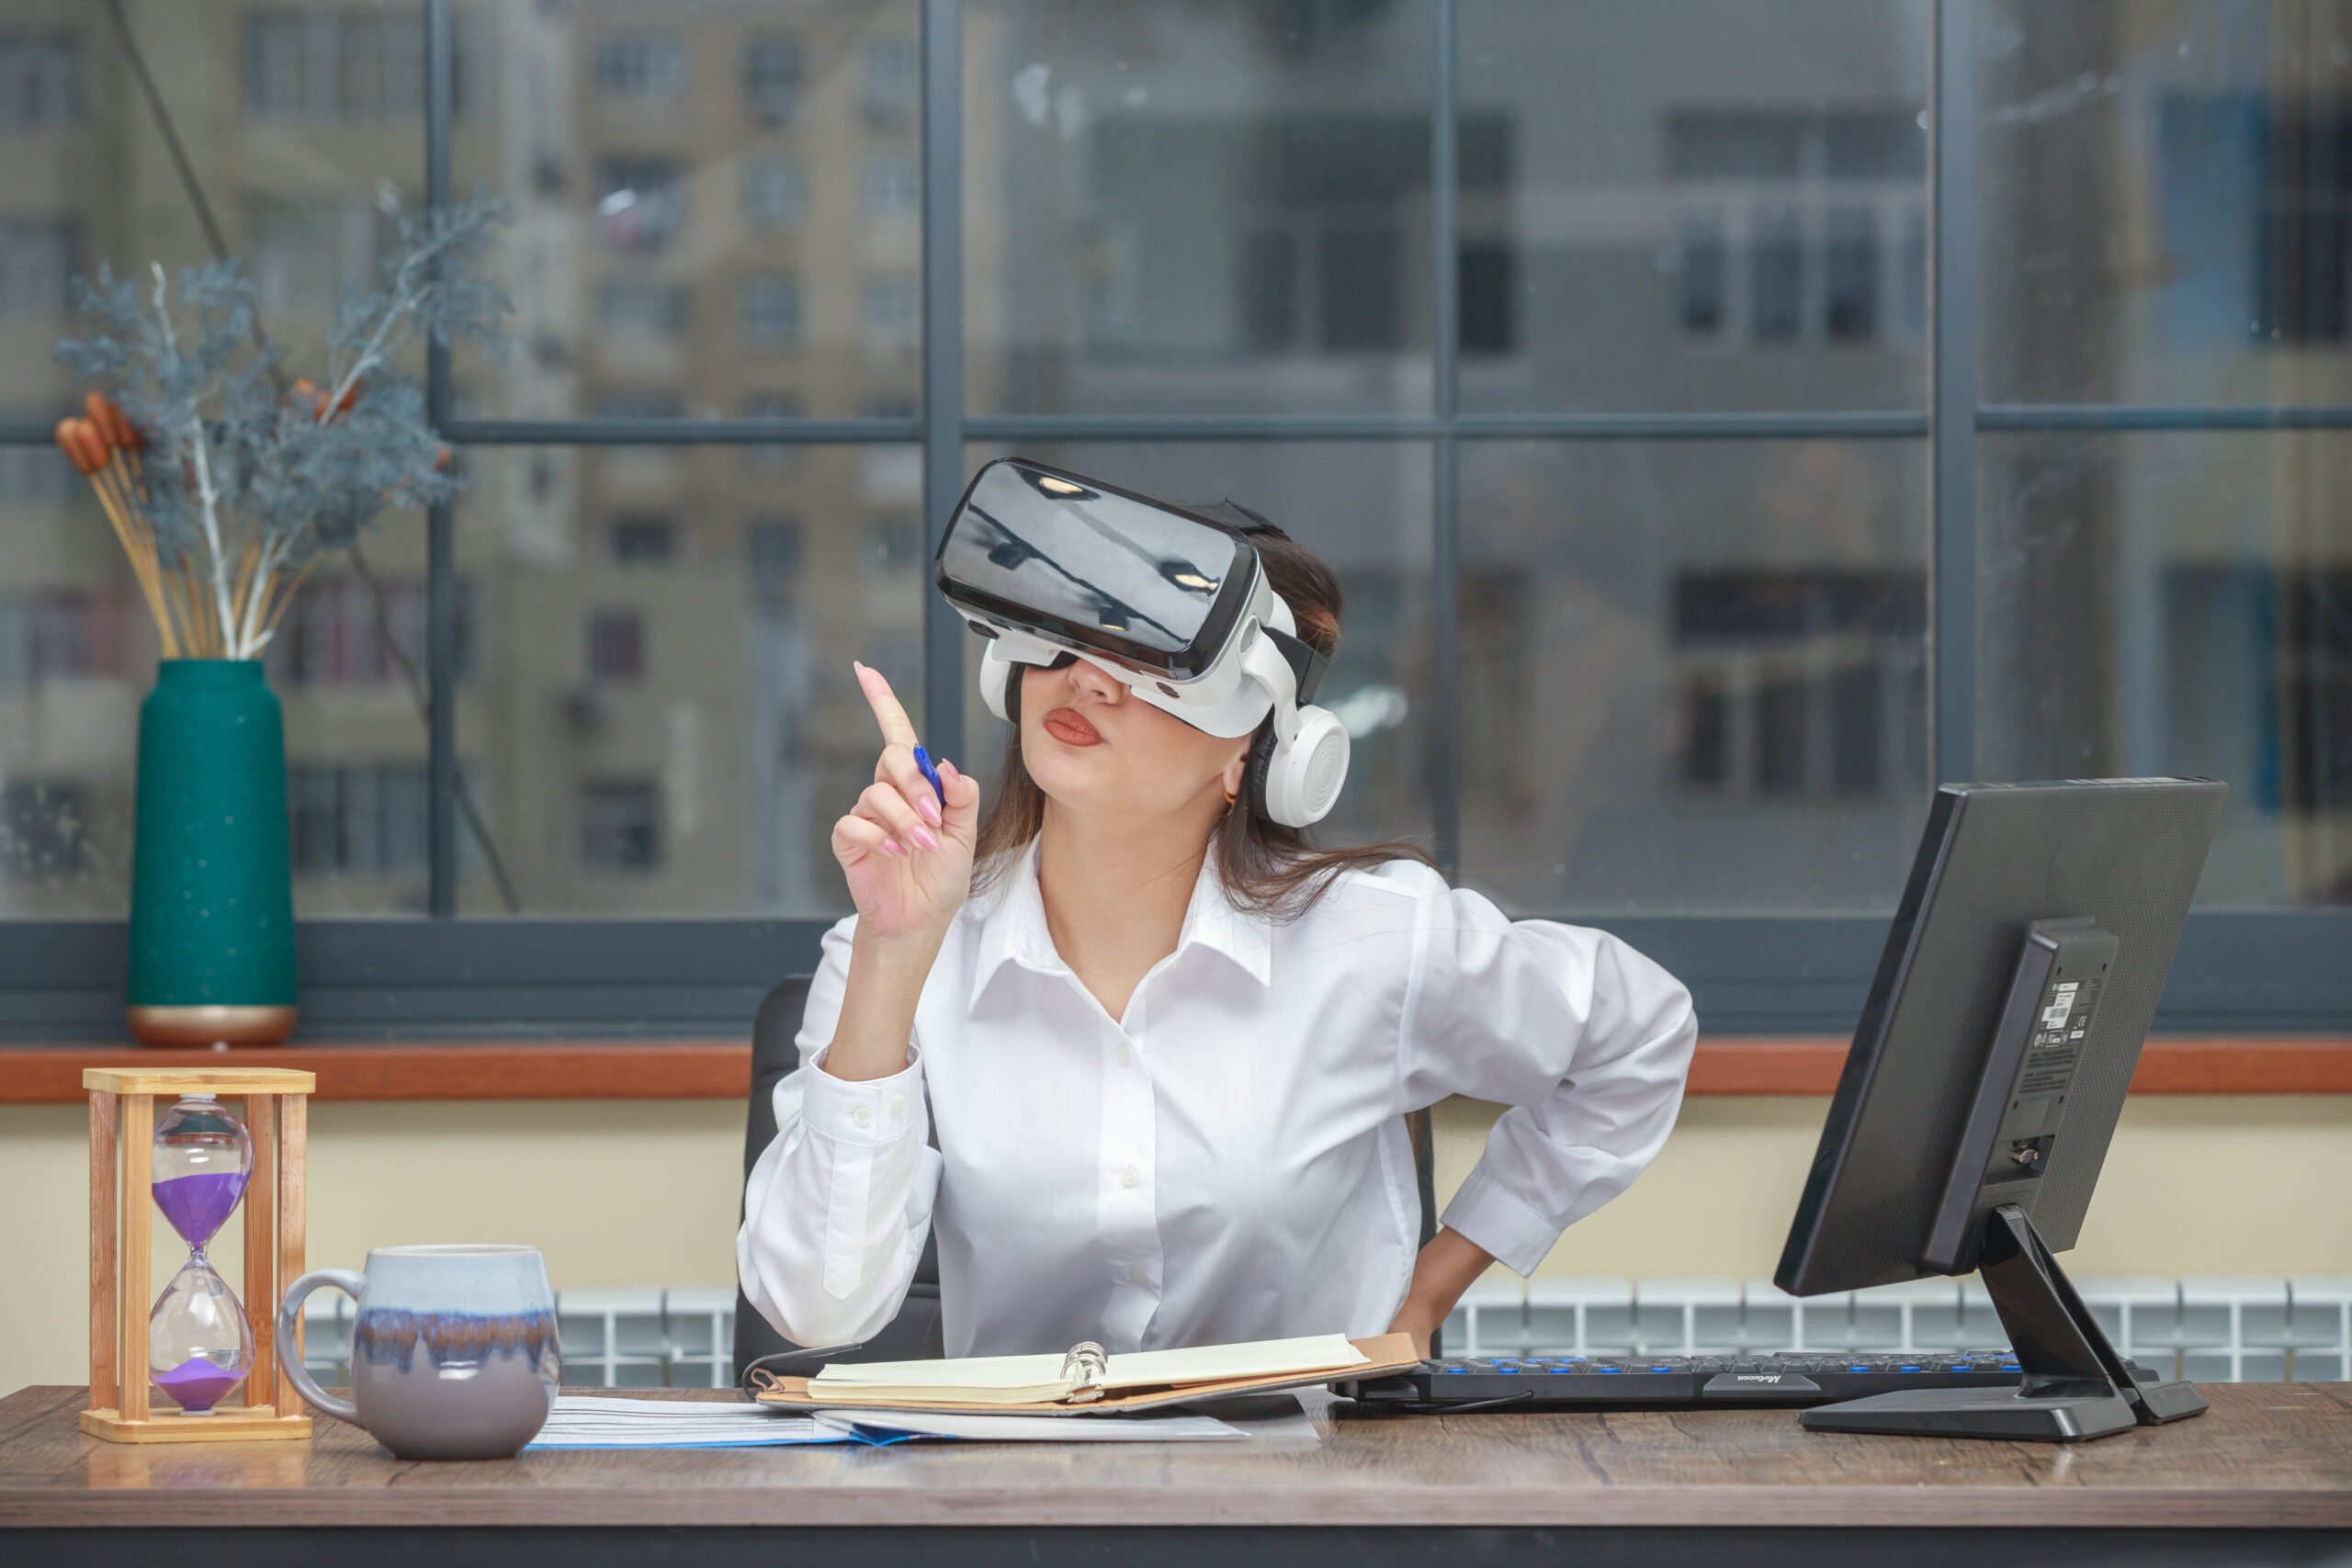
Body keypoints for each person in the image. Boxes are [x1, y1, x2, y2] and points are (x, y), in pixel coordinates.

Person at [739, 506, 1699, 1359]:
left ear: (1258, 753)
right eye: (1071, 634)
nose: (1091, 681)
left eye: (1160, 662)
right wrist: (896, 951)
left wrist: (1427, 1291)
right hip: (1023, 1504)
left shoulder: (1374, 938)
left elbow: (1638, 1032)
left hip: (1311, 1498)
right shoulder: (900, 946)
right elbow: (814, 1311)